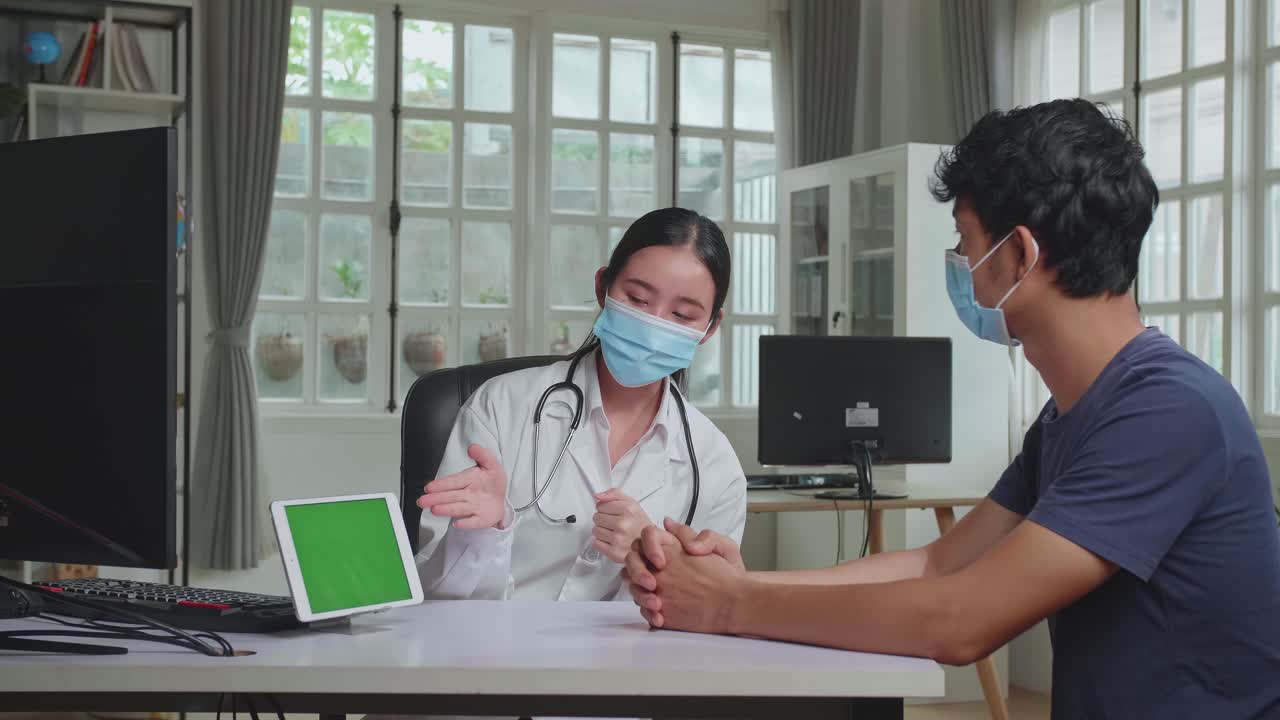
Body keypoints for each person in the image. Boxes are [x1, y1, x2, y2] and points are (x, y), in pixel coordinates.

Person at [623, 100, 1280, 718]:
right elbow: (939, 562)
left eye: (966, 241)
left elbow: (960, 619)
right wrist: (748, 584)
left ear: (1019, 254)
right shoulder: (1074, 416)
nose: (961, 262)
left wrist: (731, 607)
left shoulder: (1167, 412)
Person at [415, 207, 747, 602]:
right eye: (638, 299)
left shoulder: (715, 466)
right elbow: (431, 596)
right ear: (603, 287)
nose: (653, 326)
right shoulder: (501, 407)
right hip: (497, 656)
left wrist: (655, 560)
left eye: (682, 314)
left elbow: (709, 610)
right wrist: (485, 532)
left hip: (632, 664)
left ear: (710, 327)